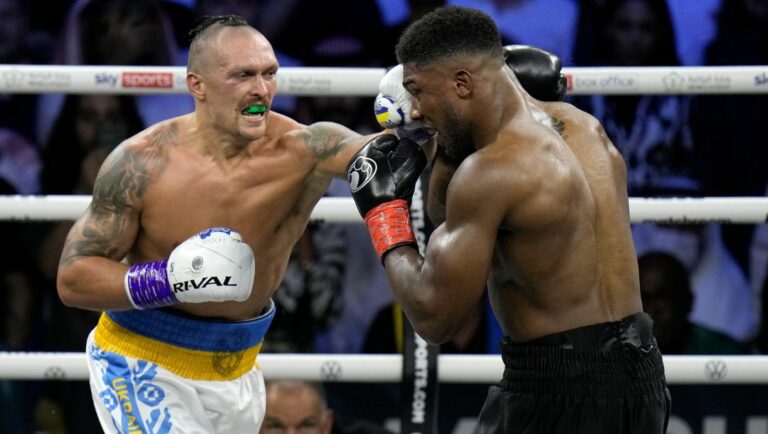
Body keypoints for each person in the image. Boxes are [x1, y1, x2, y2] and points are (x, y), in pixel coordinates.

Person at [347, 6, 669, 433]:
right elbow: (449, 213)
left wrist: (383, 214)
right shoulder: (586, 130)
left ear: (463, 84)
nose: (416, 111)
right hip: (642, 375)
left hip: (559, 386)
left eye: (417, 91)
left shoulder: (492, 172)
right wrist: (441, 146)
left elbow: (436, 318)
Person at [54, 15, 383, 433]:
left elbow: (378, 159)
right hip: (142, 363)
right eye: (243, 75)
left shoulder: (303, 149)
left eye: (269, 74)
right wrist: (168, 279)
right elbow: (74, 278)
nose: (261, 90)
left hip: (239, 368)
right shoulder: (142, 162)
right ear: (198, 85)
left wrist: (411, 122)